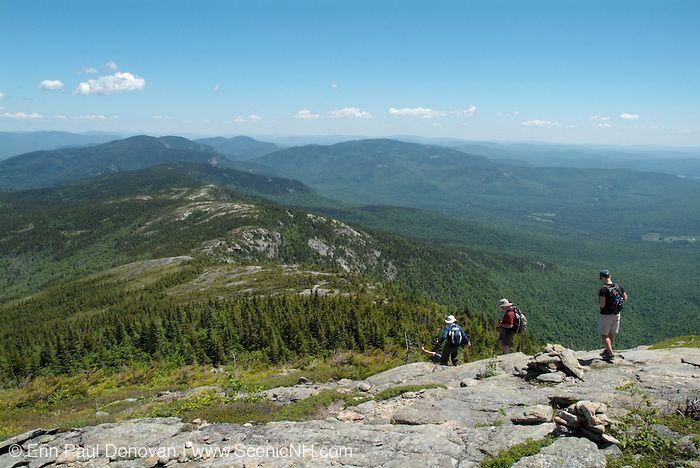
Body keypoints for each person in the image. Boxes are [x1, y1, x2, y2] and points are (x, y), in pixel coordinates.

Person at [598, 269, 628, 361]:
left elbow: (602, 305)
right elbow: (625, 298)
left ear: (601, 278)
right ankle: (608, 350)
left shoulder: (603, 290)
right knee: (612, 333)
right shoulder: (618, 286)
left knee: (604, 335)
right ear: (610, 276)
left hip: (606, 315)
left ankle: (610, 354)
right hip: (617, 313)